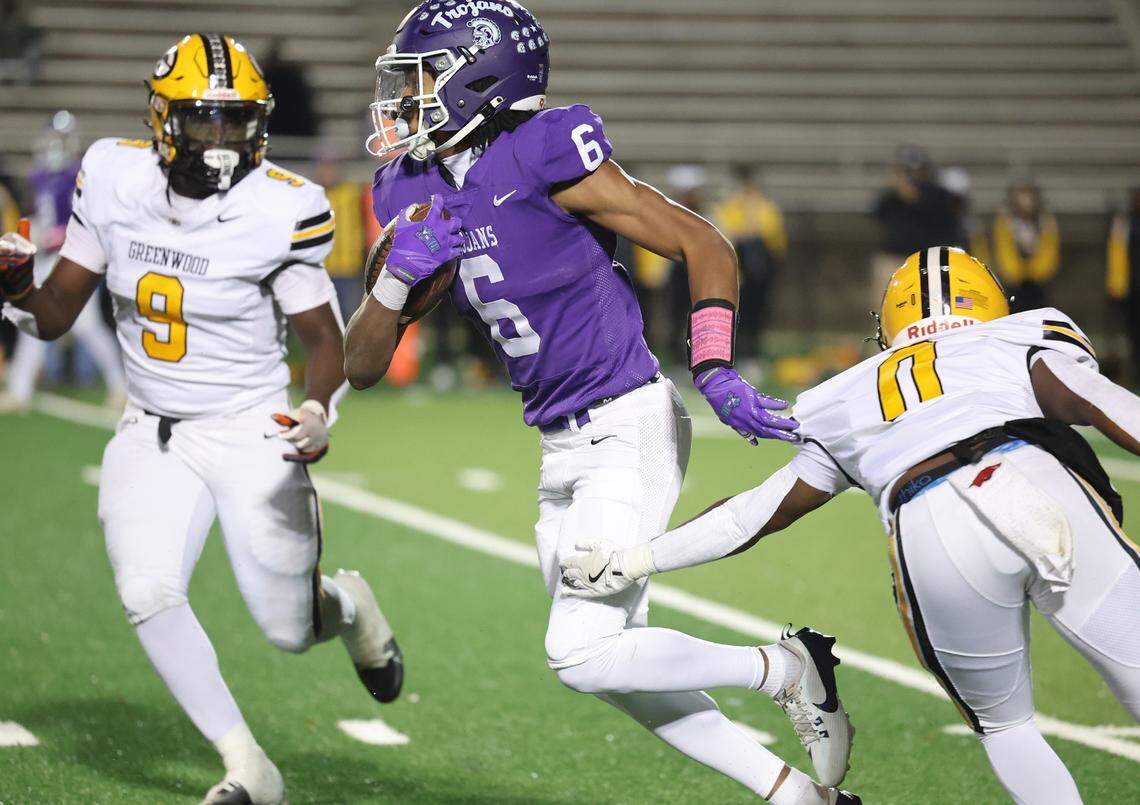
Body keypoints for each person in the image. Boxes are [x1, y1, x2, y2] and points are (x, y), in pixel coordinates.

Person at [345, 4, 857, 803]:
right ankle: (799, 795)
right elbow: (362, 365)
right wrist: (392, 280)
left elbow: (704, 243)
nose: (406, 98)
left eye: (424, 78)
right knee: (616, 662)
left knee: (579, 652)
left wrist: (715, 365)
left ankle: (783, 665)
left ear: (479, 81)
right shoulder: (407, 186)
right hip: (559, 447)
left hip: (630, 423)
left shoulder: (544, 153)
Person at [563, 246, 1140, 805]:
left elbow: (753, 515)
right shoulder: (1023, 331)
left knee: (1007, 726)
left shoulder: (848, 391)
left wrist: (638, 559)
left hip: (930, 519)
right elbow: (1093, 398)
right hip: (1036, 478)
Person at [0, 34, 402, 805]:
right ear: (162, 120)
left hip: (252, 425)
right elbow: (55, 316)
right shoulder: (113, 177)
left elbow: (323, 339)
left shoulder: (279, 205)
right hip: (151, 427)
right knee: (148, 588)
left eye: (236, 122)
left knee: (289, 629)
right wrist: (18, 288)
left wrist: (319, 409)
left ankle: (348, 605)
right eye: (203, 121)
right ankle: (249, 762)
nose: (221, 140)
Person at [1, 111, 127, 413]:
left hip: (73, 255)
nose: (54, 145)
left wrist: (55, 235)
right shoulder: (40, 175)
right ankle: (20, 391)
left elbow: (83, 219)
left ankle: (120, 385)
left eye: (60, 140)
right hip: (45, 256)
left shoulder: (77, 175)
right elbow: (37, 215)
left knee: (86, 327)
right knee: (32, 320)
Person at [714, 164, 787, 368]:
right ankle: (734, 354)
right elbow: (726, 234)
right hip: (737, 267)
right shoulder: (729, 207)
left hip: (759, 268)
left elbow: (774, 239)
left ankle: (752, 353)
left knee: (757, 311)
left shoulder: (764, 207)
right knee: (735, 312)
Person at [870, 146, 958, 311]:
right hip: (893, 257)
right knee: (885, 305)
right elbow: (877, 214)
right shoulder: (890, 196)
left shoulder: (937, 193)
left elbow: (933, 211)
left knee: (925, 305)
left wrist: (908, 192)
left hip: (925, 260)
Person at [312, 147, 368, 321]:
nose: (328, 172)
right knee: (323, 322)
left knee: (351, 319)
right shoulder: (313, 196)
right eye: (325, 167)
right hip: (321, 270)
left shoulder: (352, 193)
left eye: (332, 167)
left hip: (348, 270)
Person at [992, 179, 1060, 313]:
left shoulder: (1044, 221)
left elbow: (1049, 247)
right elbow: (1003, 247)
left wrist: (1040, 270)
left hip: (1038, 277)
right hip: (1015, 277)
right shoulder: (1007, 221)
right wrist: (1012, 271)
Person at [1107, 187, 1140, 386]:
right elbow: (1117, 255)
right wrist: (1117, 286)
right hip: (1132, 289)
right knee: (1133, 333)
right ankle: (1136, 373)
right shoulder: (1124, 224)